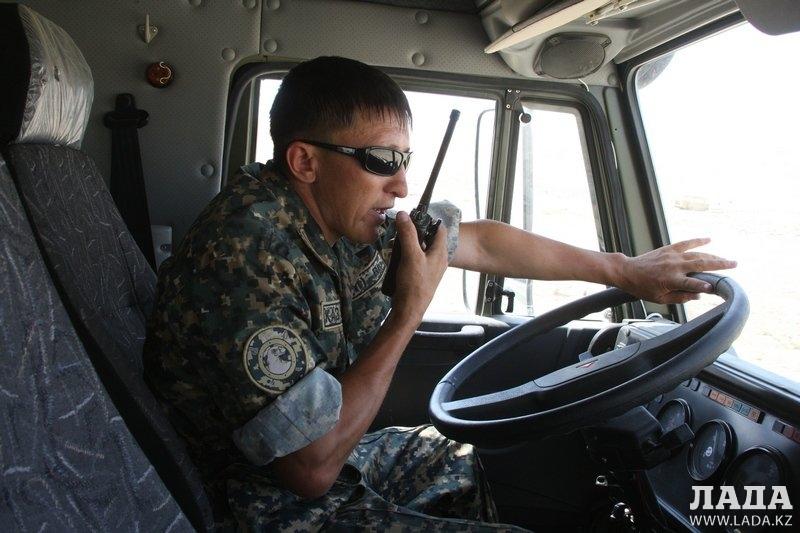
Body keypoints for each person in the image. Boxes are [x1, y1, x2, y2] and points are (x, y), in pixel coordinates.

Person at [143, 56, 736, 531]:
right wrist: (409, 311)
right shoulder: (245, 254)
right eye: (380, 160)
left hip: (315, 465)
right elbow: (309, 469)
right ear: (304, 160)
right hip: (251, 500)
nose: (400, 184)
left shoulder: (343, 217)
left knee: (461, 462)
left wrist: (623, 270)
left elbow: (482, 243)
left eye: (404, 159)